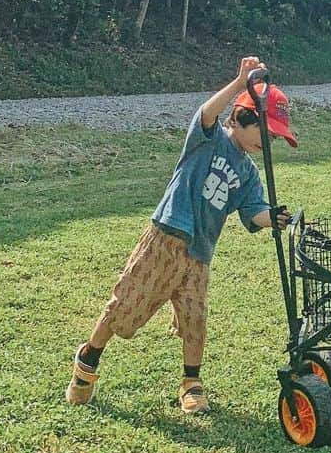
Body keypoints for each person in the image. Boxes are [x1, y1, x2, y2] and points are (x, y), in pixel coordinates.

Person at [65, 56, 296, 413]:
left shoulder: (249, 173)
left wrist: (274, 218)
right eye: (265, 133)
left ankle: (191, 382)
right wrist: (239, 82)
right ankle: (88, 358)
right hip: (166, 239)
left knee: (195, 319)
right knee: (127, 305)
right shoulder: (207, 140)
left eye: (274, 138)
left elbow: (253, 212)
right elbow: (206, 112)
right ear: (239, 118)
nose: (267, 143)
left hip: (200, 253)